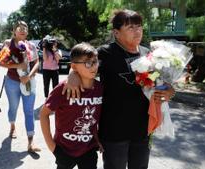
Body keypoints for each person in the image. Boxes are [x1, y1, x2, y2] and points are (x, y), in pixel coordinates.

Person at [63, 9, 175, 169]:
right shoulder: (105, 53)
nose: (137, 31)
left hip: (143, 131)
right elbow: (80, 66)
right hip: (114, 133)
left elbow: (161, 83)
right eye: (131, 27)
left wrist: (169, 91)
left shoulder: (149, 54)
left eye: (139, 26)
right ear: (116, 32)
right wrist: (73, 75)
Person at [40, 43, 103, 169]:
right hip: (63, 150)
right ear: (74, 66)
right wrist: (52, 146)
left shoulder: (101, 88)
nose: (93, 66)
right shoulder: (63, 89)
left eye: (95, 61)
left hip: (88, 149)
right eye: (87, 63)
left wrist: (99, 139)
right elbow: (44, 114)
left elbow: (99, 117)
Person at [0, 21, 40, 153]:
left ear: (27, 31)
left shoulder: (31, 46)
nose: (22, 30)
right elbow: (1, 63)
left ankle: (30, 141)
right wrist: (18, 66)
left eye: (25, 28)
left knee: (29, 111)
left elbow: (37, 62)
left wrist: (29, 76)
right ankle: (12, 125)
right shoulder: (7, 44)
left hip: (29, 82)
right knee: (13, 108)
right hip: (12, 82)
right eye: (19, 28)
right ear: (14, 31)